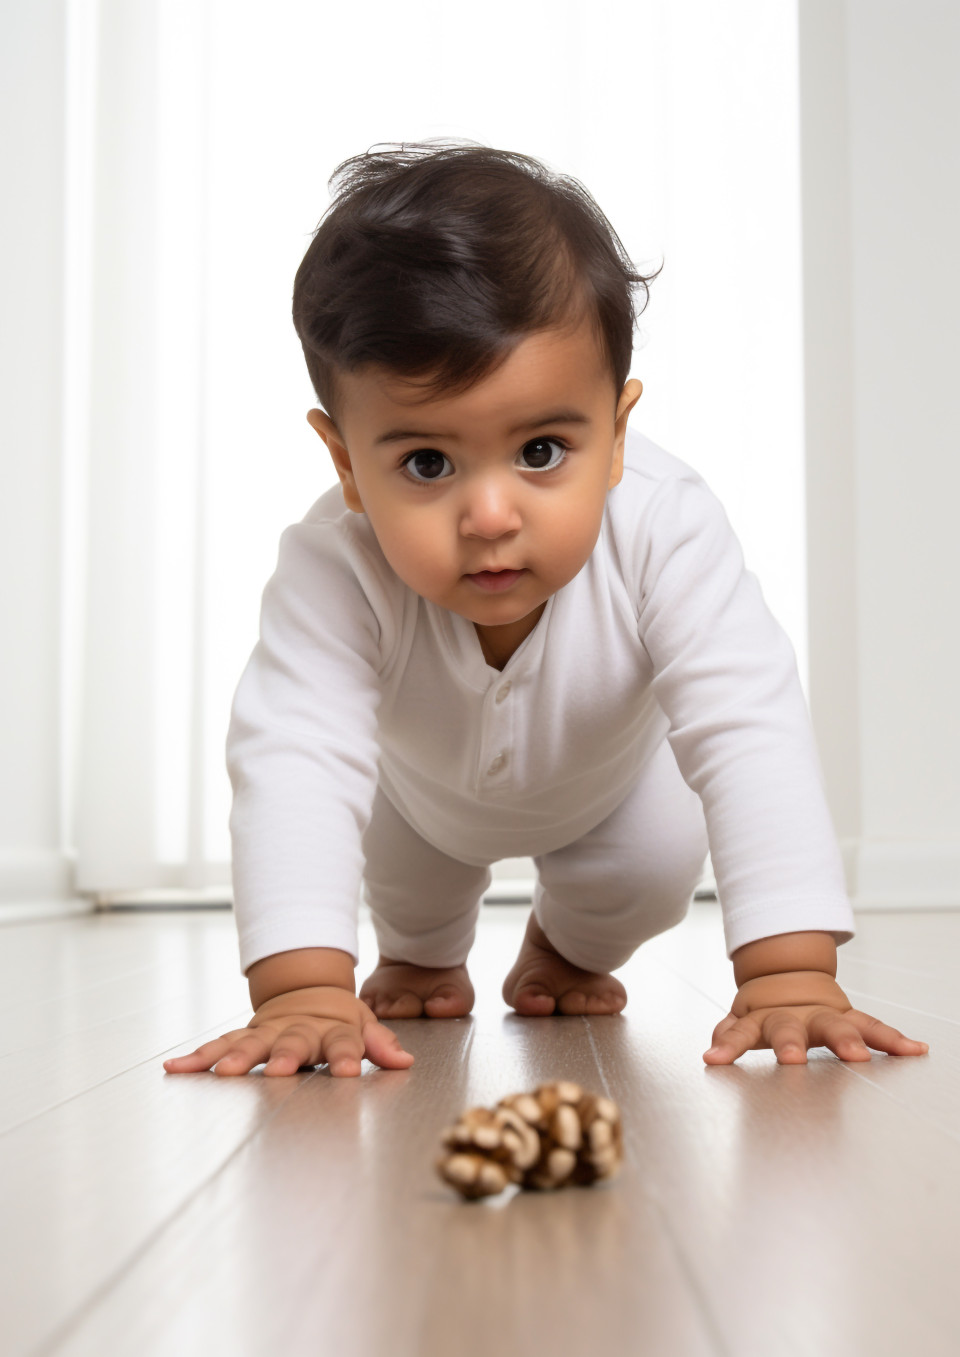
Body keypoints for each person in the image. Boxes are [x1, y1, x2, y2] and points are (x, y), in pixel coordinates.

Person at [164, 141, 928, 1081]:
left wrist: (789, 969)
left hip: (609, 791)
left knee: (652, 861)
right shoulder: (334, 566)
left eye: (540, 451)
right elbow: (295, 757)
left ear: (614, 434)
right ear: (345, 463)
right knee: (401, 868)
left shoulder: (666, 526)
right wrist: (302, 989)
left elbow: (747, 724)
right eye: (428, 464)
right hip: (418, 802)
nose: (491, 516)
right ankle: (422, 954)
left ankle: (566, 950)